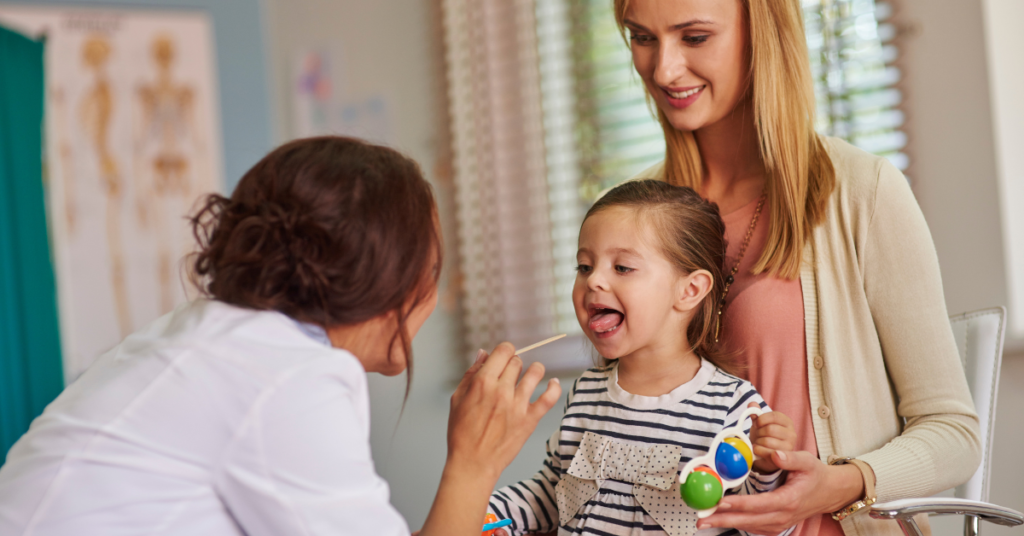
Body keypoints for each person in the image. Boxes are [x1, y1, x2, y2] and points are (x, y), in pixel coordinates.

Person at [0, 136, 561, 536]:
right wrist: (474, 463)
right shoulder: (287, 379)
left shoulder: (215, 335)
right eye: (432, 271)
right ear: (386, 279)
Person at [612, 1, 981, 535]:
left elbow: (954, 434)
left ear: (761, 35)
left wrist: (843, 481)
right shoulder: (628, 218)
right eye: (642, 38)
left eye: (693, 38)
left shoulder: (863, 192)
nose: (663, 69)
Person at [486, 180, 798, 536]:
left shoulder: (735, 408)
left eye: (622, 268)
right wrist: (491, 516)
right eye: (584, 266)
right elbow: (552, 495)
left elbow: (762, 525)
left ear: (689, 290)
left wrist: (764, 468)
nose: (593, 281)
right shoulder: (586, 392)